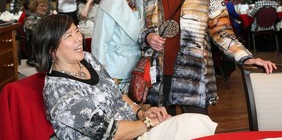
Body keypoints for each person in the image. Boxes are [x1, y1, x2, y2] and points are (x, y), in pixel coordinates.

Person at [139, 0, 277, 116]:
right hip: (157, 79)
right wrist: (147, 37)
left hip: (192, 78)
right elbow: (142, 28)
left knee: (197, 131)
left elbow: (221, 31)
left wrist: (246, 56)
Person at [32, 14, 217, 140]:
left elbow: (117, 93)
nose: (78, 38)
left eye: (77, 31)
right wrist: (147, 123)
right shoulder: (60, 92)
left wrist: (141, 112)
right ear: (51, 50)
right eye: (68, 36)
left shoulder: (87, 59)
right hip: (126, 135)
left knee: (198, 121)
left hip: (135, 129)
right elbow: (109, 132)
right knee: (194, 125)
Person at [91, 0, 149, 93]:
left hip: (138, 68)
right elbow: (100, 43)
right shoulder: (111, 1)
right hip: (114, 70)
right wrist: (102, 77)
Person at [23, 0, 49, 66]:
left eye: (46, 6)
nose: (45, 8)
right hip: (38, 51)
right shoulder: (30, 19)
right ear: (34, 7)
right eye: (42, 6)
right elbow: (39, 33)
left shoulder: (46, 18)